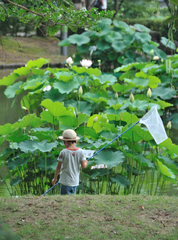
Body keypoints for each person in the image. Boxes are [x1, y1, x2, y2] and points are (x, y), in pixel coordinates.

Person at [51, 129, 88, 195]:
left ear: (65, 141)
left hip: (65, 182)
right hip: (75, 182)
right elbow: (83, 166)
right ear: (75, 141)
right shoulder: (81, 151)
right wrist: (86, 162)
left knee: (65, 201)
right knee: (71, 201)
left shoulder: (63, 152)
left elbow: (58, 167)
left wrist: (55, 179)